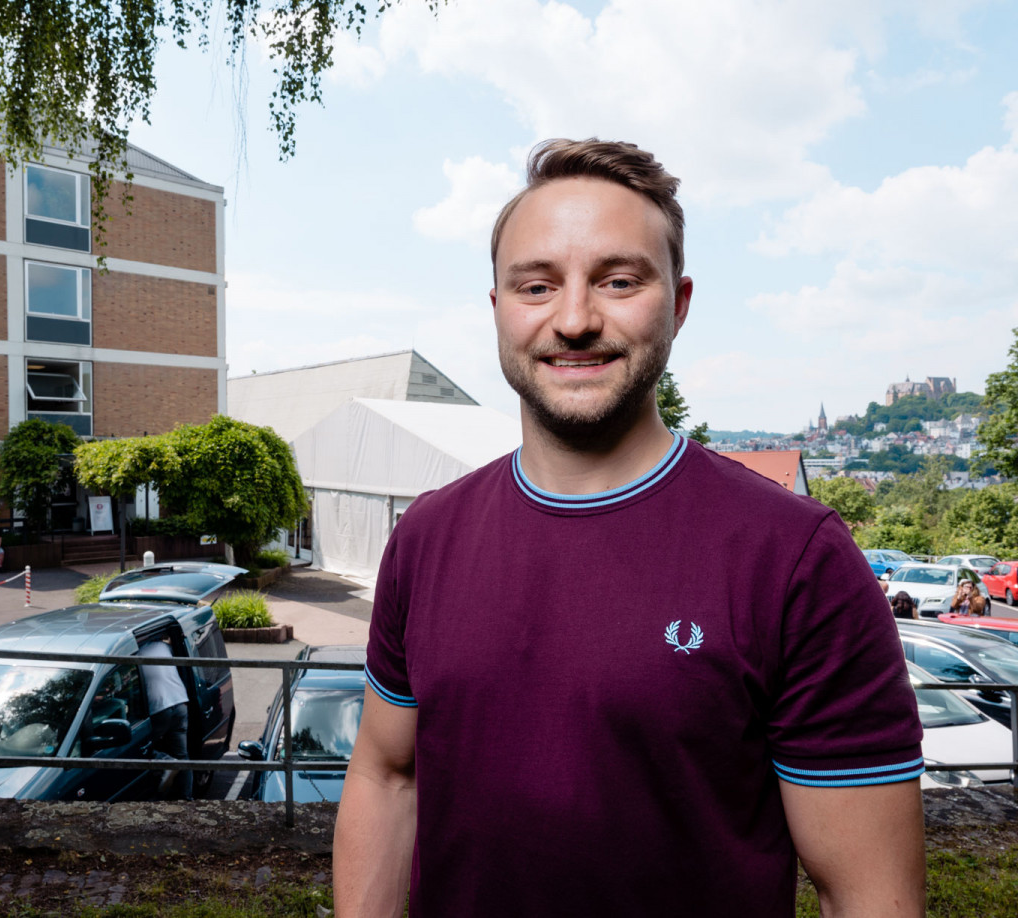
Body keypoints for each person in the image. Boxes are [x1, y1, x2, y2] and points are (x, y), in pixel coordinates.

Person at [333, 139, 925, 917]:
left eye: (618, 281)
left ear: (678, 305)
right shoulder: (427, 537)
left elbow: (869, 897)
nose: (574, 320)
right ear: (499, 311)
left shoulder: (795, 560)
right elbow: (387, 775)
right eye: (537, 286)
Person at [136, 639, 192, 801]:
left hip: (160, 706)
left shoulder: (135, 654)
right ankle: (187, 798)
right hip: (180, 701)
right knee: (182, 755)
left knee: (141, 747)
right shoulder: (162, 646)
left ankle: (165, 762)